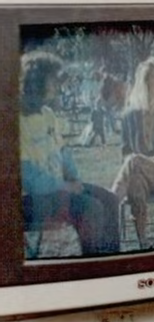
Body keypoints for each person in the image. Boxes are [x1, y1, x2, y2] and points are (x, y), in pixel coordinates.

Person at [19, 50, 120, 257]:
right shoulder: (16, 121)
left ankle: (111, 262)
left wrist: (75, 180)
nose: (58, 86)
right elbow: (30, 180)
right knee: (91, 208)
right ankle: (92, 268)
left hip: (58, 192)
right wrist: (66, 186)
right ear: (36, 81)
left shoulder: (48, 115)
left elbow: (64, 154)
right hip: (32, 200)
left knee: (109, 199)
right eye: (53, 80)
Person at [111, 57, 154, 246]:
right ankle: (143, 243)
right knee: (134, 179)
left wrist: (142, 161)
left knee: (134, 162)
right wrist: (137, 161)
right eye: (151, 78)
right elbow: (125, 151)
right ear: (143, 82)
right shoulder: (129, 116)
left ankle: (111, 202)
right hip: (141, 176)